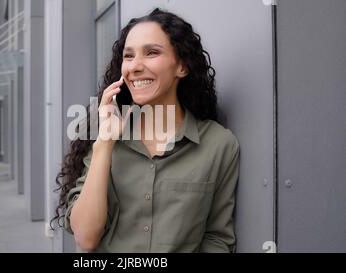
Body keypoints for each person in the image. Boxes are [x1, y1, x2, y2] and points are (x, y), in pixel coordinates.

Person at [51, 8, 240, 253]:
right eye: (128, 57)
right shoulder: (106, 133)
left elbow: (217, 238)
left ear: (182, 66)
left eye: (152, 53)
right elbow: (85, 238)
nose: (135, 67)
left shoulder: (219, 145)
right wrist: (104, 144)